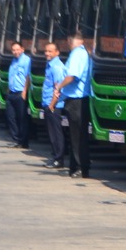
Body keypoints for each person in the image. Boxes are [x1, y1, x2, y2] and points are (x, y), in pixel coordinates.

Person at [52, 31, 93, 178]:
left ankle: (80, 167)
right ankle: (78, 166)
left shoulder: (77, 54)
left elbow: (72, 76)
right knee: (78, 135)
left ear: (70, 41)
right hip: (79, 99)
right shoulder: (83, 53)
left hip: (77, 100)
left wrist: (59, 86)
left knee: (77, 136)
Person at [40, 42, 68, 167]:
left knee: (56, 133)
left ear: (57, 52)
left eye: (50, 51)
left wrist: (51, 105)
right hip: (48, 103)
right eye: (46, 51)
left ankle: (59, 159)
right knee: (52, 133)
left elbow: (58, 89)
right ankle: (56, 157)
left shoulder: (57, 67)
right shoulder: (49, 65)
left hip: (54, 105)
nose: (47, 53)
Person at [5, 42, 32, 147]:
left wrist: (24, 92)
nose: (15, 52)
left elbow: (28, 77)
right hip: (11, 92)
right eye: (13, 50)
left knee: (22, 118)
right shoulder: (13, 60)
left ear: (22, 49)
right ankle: (16, 139)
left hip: (21, 93)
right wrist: (8, 90)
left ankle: (23, 142)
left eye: (17, 49)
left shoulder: (26, 60)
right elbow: (11, 76)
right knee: (10, 117)